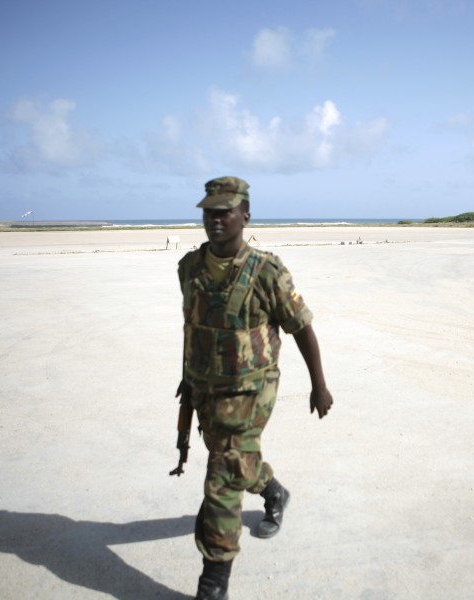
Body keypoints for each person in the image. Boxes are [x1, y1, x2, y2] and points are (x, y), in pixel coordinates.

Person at [175, 176, 333, 600]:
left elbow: (302, 328)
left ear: (245, 215)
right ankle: (273, 490)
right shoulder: (188, 268)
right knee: (237, 462)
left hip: (252, 389)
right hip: (207, 388)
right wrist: (187, 379)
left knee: (223, 476)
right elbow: (193, 327)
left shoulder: (267, 271)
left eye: (225, 211)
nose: (216, 219)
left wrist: (319, 385)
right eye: (209, 211)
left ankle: (213, 582)